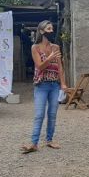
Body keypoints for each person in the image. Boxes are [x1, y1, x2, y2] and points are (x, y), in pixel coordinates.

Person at [22, 20, 67, 153]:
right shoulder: (35, 47)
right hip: (41, 85)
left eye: (52, 28)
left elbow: (60, 67)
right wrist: (50, 57)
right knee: (39, 114)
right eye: (48, 29)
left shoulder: (56, 47)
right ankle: (34, 143)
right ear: (41, 31)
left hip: (54, 85)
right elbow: (39, 66)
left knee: (52, 114)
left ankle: (49, 140)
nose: (51, 31)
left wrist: (63, 83)